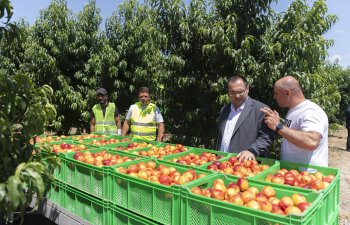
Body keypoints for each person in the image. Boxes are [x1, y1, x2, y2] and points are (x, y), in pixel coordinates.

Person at [261, 76, 328, 166]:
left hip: (308, 175)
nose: (274, 97)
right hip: (295, 174)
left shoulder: (310, 111)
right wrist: (277, 124)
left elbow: (311, 141)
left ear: (287, 92)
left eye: (276, 93)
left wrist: (278, 126)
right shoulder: (294, 109)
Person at [216, 75, 274, 161]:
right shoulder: (225, 109)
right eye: (232, 92)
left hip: (245, 165)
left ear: (247, 89)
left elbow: (266, 137)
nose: (237, 96)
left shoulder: (261, 110)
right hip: (222, 162)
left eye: (240, 92)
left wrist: (252, 151)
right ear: (228, 92)